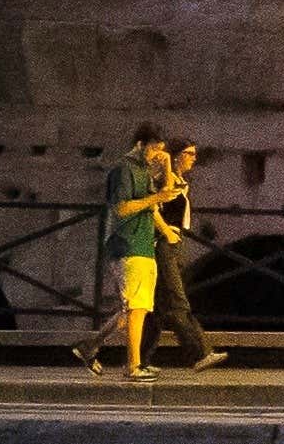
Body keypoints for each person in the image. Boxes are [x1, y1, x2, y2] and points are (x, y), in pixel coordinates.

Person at [73, 126, 183, 381]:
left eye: (161, 151)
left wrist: (166, 168)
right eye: (156, 149)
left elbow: (159, 202)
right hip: (127, 243)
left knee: (133, 309)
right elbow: (121, 208)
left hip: (143, 244)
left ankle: (89, 347)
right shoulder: (124, 170)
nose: (157, 154)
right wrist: (155, 198)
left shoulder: (144, 170)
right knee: (136, 307)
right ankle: (133, 366)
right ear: (142, 143)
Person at [149, 142, 231, 373]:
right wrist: (165, 230)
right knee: (178, 301)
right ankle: (200, 353)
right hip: (165, 245)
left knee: (158, 307)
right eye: (190, 154)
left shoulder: (180, 181)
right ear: (176, 157)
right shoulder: (164, 180)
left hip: (175, 244)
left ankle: (138, 360)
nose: (194, 158)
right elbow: (151, 207)